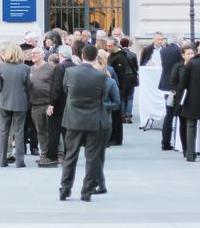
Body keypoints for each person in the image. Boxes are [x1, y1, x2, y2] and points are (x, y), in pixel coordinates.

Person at [58, 44, 118, 200]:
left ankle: (65, 189)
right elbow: (103, 95)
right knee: (93, 158)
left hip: (73, 120)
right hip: (94, 120)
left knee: (70, 156)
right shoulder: (101, 76)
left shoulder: (70, 72)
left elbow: (66, 90)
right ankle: (87, 191)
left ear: (82, 55)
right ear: (95, 57)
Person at [0, 42, 31, 168]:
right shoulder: (25, 68)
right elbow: (28, 87)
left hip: (3, 101)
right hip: (20, 103)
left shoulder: (2, 66)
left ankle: (2, 160)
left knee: (3, 132)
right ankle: (20, 161)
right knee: (19, 132)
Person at [157, 36, 183, 151]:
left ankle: (165, 141)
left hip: (165, 84)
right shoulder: (178, 51)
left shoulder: (163, 50)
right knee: (176, 113)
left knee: (169, 114)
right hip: (175, 84)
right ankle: (176, 142)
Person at [28, 47, 54, 162]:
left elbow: (55, 87)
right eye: (31, 53)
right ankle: (44, 154)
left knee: (52, 130)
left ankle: (57, 154)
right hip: (35, 104)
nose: (32, 55)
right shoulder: (30, 69)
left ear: (42, 55)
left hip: (48, 104)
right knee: (40, 131)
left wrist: (52, 103)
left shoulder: (50, 68)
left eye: (35, 53)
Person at [119, 37, 139, 125]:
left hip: (122, 77)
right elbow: (136, 67)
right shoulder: (133, 55)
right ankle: (128, 115)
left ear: (121, 44)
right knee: (130, 97)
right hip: (131, 77)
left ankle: (122, 116)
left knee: (123, 97)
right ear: (129, 44)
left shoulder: (119, 55)